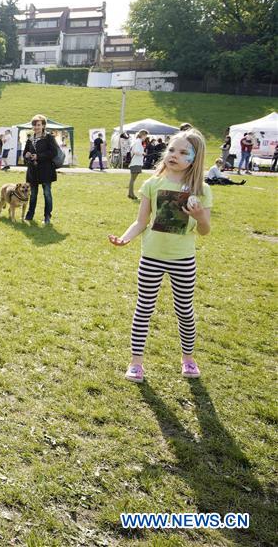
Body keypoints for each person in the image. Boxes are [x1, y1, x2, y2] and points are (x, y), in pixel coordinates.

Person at [108, 129, 213, 383]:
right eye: (171, 150)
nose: (174, 155)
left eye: (182, 152)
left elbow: (205, 230)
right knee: (143, 308)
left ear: (194, 158)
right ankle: (136, 363)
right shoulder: (152, 184)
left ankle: (188, 359)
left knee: (184, 311)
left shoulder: (202, 190)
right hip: (152, 257)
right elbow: (141, 221)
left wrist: (199, 217)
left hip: (183, 259)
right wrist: (126, 238)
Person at [22, 114, 57, 225]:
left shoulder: (49, 137)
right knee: (32, 194)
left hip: (46, 171)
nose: (36, 127)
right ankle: (30, 215)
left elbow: (53, 153)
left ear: (43, 125)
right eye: (34, 125)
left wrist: (38, 156)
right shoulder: (30, 139)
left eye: (38, 125)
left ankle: (47, 216)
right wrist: (27, 155)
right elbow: (24, 153)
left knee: (47, 193)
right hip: (33, 171)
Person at [127, 130, 148, 200]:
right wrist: (143, 153)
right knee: (133, 179)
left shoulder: (137, 141)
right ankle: (131, 194)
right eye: (145, 136)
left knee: (132, 179)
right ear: (143, 135)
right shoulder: (138, 141)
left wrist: (142, 153)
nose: (146, 137)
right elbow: (136, 151)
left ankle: (130, 194)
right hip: (136, 162)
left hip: (136, 162)